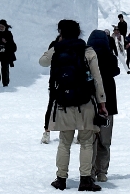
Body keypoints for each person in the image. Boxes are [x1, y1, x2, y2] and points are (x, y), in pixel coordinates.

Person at [40, 20, 108, 191]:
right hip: (85, 102)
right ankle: (85, 180)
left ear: (61, 32)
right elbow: (97, 79)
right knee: (86, 142)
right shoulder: (88, 51)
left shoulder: (57, 49)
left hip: (64, 102)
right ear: (79, 32)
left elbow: (42, 61)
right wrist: (102, 102)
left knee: (64, 142)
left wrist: (57, 44)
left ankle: (61, 178)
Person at [87, 29, 120, 183]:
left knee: (91, 138)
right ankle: (102, 172)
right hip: (109, 105)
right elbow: (116, 71)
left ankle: (91, 171)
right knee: (105, 140)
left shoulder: (87, 57)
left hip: (91, 103)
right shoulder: (110, 57)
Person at [41, 34, 61, 144]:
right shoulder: (54, 45)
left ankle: (69, 131)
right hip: (55, 81)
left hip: (69, 81)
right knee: (52, 106)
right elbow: (44, 60)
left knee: (71, 107)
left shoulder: (72, 44)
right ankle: (47, 131)